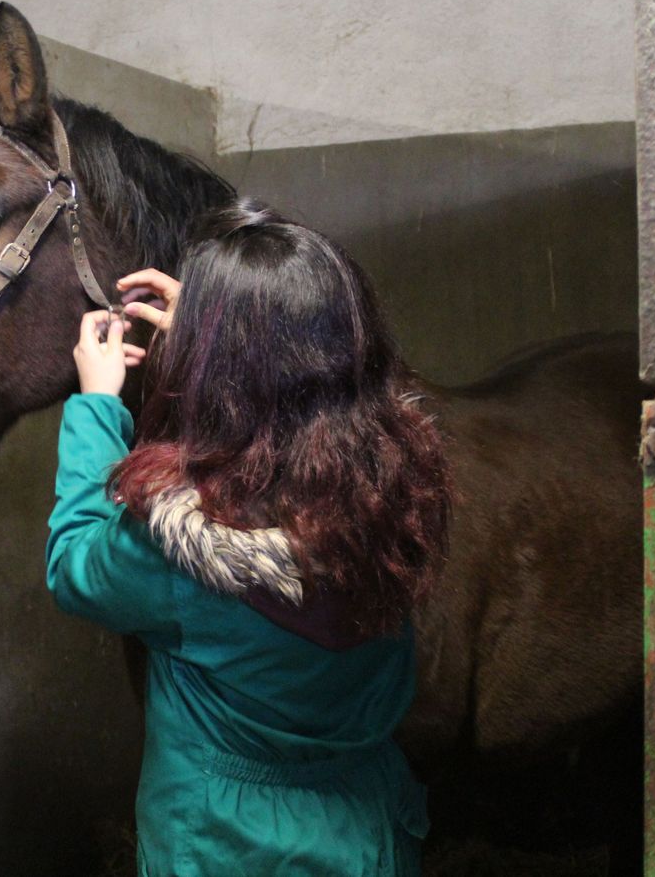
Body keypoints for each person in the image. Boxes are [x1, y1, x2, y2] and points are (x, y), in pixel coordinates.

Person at [45, 199, 451, 876]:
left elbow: (73, 564)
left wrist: (97, 401)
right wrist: (220, 329)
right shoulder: (400, 502)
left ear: (219, 370)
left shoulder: (178, 556)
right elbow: (334, 387)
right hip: (366, 839)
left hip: (224, 847)